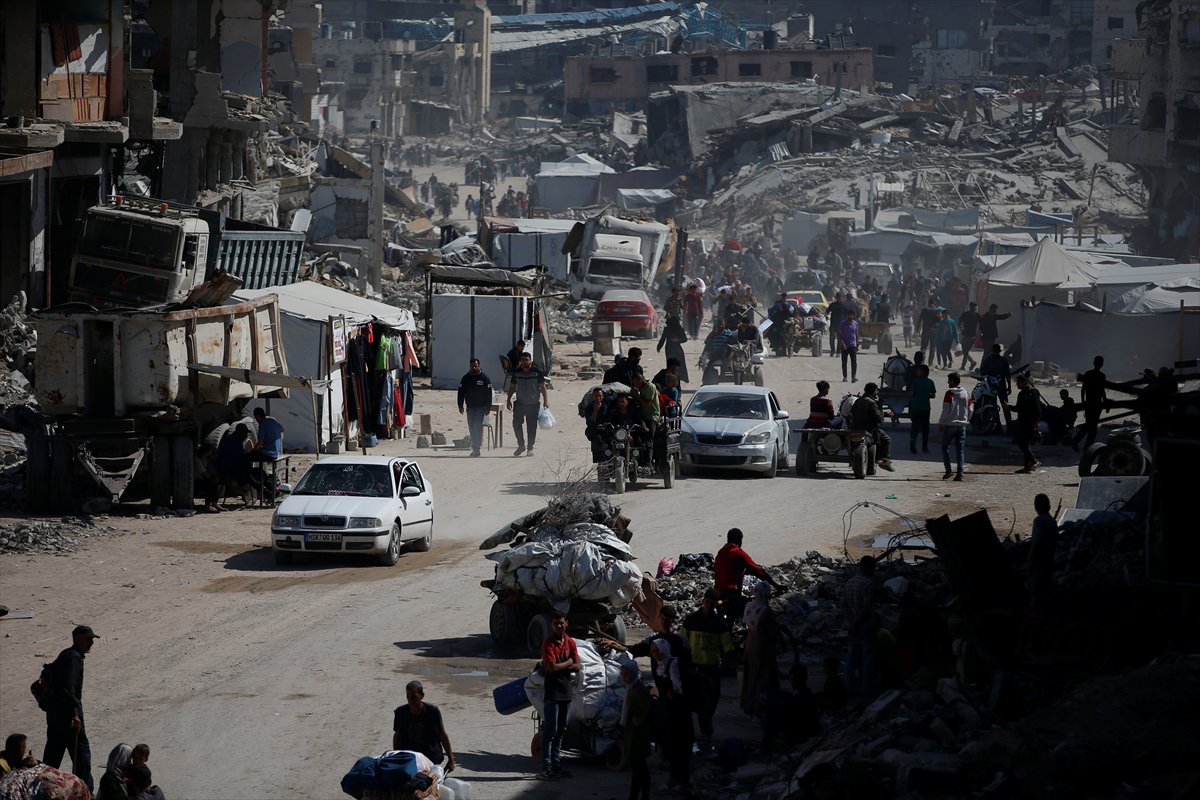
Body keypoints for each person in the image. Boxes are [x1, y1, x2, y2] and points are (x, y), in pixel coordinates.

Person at [43, 625, 98, 791]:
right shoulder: (73, 657)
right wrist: (75, 714)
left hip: (55, 714)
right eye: (89, 639)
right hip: (68, 715)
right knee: (81, 755)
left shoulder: (66, 655)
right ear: (78, 638)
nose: (91, 643)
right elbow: (69, 688)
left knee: (53, 753)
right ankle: (85, 790)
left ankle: (43, 786)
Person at [682, 589, 732, 743]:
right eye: (708, 602)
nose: (709, 605)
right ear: (703, 601)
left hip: (711, 668)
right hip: (694, 668)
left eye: (713, 603)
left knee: (712, 699)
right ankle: (701, 731)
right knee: (693, 701)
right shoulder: (691, 621)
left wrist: (725, 666)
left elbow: (727, 646)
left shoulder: (719, 624)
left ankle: (704, 726)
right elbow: (682, 642)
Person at [538, 613, 579, 780]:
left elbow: (578, 666)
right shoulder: (548, 643)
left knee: (561, 730)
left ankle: (556, 765)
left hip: (566, 692)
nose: (559, 626)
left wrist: (566, 664)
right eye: (556, 623)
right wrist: (569, 662)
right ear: (552, 624)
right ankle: (545, 768)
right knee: (550, 731)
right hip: (552, 693)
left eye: (561, 623)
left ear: (566, 623)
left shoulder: (570, 642)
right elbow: (552, 668)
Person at [650, 639, 693, 795]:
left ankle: (684, 781)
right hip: (667, 712)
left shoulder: (673, 664)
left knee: (681, 746)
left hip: (679, 712)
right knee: (670, 746)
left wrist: (672, 693)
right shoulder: (659, 665)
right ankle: (674, 777)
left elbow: (680, 687)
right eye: (653, 651)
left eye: (657, 651)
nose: (655, 654)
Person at [714, 528, 781, 617]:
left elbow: (730, 570)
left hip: (717, 597)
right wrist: (776, 586)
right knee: (758, 613)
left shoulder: (720, 554)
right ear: (739, 540)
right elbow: (758, 571)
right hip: (731, 597)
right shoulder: (738, 553)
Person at [393, 680, 455, 773]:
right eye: (408, 696)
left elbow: (442, 735)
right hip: (410, 757)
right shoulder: (400, 712)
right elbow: (397, 736)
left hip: (431, 757)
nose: (410, 700)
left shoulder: (432, 711)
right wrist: (396, 757)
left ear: (422, 696)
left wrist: (451, 760)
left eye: (414, 697)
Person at [740, 580, 780, 719]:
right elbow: (773, 632)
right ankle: (759, 707)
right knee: (763, 678)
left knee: (750, 675)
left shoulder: (749, 606)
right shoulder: (765, 611)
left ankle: (748, 704)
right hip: (762, 647)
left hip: (749, 644)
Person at [840, 557, 878, 698]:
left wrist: (850, 622)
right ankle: (866, 691)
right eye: (873, 567)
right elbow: (866, 608)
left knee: (851, 659)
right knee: (868, 660)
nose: (874, 571)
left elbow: (843, 605)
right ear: (866, 567)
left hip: (852, 629)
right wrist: (856, 622)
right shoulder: (868, 584)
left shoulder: (849, 583)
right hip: (866, 627)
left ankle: (849, 688)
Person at [762, 664, 819, 752]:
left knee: (772, 717)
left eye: (794, 679)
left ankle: (766, 748)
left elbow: (788, 711)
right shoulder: (802, 693)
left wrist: (770, 707)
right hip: (803, 725)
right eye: (791, 679)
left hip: (803, 729)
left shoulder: (803, 696)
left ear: (800, 679)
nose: (791, 682)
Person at [619, 658, 652, 800]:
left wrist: (640, 720)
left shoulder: (637, 690)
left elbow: (647, 710)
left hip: (638, 736)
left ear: (632, 673)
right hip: (633, 734)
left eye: (626, 674)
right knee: (640, 769)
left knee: (638, 769)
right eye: (622, 674)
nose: (623, 678)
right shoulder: (632, 688)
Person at [505, 352, 548, 457]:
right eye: (522, 360)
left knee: (531, 426)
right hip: (520, 403)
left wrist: (546, 400)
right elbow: (512, 387)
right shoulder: (517, 372)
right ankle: (521, 445)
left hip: (533, 404)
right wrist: (508, 399)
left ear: (530, 360)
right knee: (516, 424)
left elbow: (542, 387)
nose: (524, 362)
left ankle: (530, 447)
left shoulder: (537, 372)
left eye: (526, 360)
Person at [850, 384, 894, 471]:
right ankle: (884, 460)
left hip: (855, 428)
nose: (877, 393)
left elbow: (852, 413)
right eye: (876, 391)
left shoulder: (858, 400)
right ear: (873, 391)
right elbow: (877, 418)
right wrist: (885, 415)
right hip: (868, 429)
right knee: (887, 439)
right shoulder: (871, 402)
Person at [1027, 494, 1058, 611]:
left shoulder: (1039, 521)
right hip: (1050, 559)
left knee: (1036, 590)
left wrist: (1030, 560)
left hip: (1039, 560)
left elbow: (1036, 543)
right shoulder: (1052, 522)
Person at [457, 358, 493, 457]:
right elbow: (461, 392)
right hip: (470, 407)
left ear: (479, 366)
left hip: (481, 407)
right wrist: (460, 405)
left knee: (477, 426)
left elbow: (489, 393)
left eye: (475, 366)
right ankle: (475, 448)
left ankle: (476, 449)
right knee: (471, 427)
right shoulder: (465, 378)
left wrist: (488, 407)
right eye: (472, 366)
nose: (473, 368)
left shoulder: (484, 378)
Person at [939, 372, 970, 481]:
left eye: (949, 380)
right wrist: (966, 419)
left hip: (950, 425)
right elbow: (970, 408)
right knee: (960, 450)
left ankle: (948, 470)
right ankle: (960, 474)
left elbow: (946, 410)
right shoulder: (966, 393)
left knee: (944, 446)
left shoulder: (949, 394)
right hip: (962, 425)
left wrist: (941, 422)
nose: (948, 382)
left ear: (953, 381)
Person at [1073, 355, 1106, 450]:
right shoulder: (1102, 376)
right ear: (1102, 364)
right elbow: (1102, 391)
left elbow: (1083, 389)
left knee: (1089, 425)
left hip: (1089, 403)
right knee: (1092, 427)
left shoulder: (1088, 374)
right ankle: (1085, 446)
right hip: (1097, 404)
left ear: (1094, 363)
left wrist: (1083, 402)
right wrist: (1105, 401)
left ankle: (1077, 442)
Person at [980, 344, 1014, 431]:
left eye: (997, 351)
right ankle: (998, 427)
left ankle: (1009, 427)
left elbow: (1007, 374)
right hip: (991, 387)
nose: (995, 352)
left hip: (1002, 387)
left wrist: (1009, 386)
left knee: (1006, 407)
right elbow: (982, 371)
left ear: (999, 351)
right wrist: (988, 372)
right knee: (993, 407)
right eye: (994, 350)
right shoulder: (988, 360)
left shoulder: (1003, 360)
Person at [1014, 374, 1042, 473]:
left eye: (1019, 382)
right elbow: (1018, 408)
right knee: (1023, 443)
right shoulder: (1021, 394)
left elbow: (1038, 408)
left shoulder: (1033, 392)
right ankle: (1028, 466)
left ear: (1025, 382)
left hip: (1030, 422)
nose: (1017, 384)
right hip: (1022, 421)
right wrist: (1008, 407)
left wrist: (1036, 421)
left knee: (1024, 443)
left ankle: (1034, 461)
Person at [908, 364, 936, 454]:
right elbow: (933, 395)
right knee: (925, 428)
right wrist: (927, 395)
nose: (917, 372)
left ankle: (913, 440)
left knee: (914, 427)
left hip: (915, 408)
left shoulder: (915, 381)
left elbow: (911, 393)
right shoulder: (930, 382)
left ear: (922, 372)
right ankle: (924, 447)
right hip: (926, 408)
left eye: (918, 370)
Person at [655, 317, 689, 384]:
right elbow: (663, 339)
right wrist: (659, 347)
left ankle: (676, 380)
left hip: (671, 349)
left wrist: (659, 347)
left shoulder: (677, 329)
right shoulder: (674, 329)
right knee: (674, 365)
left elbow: (685, 339)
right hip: (673, 349)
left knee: (676, 365)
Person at [194, 443, 221, 513]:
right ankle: (207, 506)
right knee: (211, 482)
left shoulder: (204, 459)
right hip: (195, 481)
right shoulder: (197, 460)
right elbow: (205, 474)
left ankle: (214, 504)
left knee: (213, 481)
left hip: (201, 479)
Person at [958, 302, 981, 370]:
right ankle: (972, 362)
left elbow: (959, 323)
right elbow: (981, 324)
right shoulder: (976, 314)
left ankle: (963, 366)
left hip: (968, 335)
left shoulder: (966, 314)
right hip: (971, 335)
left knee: (965, 351)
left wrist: (961, 329)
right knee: (965, 351)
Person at [838, 309, 859, 383]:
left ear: (853, 316)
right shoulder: (842, 324)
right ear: (847, 315)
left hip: (852, 345)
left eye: (851, 315)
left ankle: (853, 377)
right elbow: (840, 335)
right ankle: (845, 377)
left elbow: (856, 334)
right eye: (849, 315)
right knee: (844, 362)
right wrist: (842, 343)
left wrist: (857, 344)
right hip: (844, 345)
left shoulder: (855, 323)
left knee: (854, 361)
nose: (850, 316)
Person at [916, 298, 939, 363]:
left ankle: (922, 361)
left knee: (923, 346)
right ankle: (930, 363)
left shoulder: (924, 309)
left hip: (925, 331)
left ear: (928, 303)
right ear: (934, 303)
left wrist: (918, 329)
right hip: (933, 331)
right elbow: (938, 322)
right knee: (932, 347)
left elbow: (920, 320)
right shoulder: (936, 310)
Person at [826, 292, 847, 357]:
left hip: (841, 325)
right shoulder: (832, 305)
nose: (839, 298)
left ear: (842, 298)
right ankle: (832, 351)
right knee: (832, 339)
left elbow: (846, 315)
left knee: (840, 340)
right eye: (838, 297)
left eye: (840, 297)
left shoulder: (844, 306)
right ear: (836, 298)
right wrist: (825, 315)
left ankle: (838, 352)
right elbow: (827, 311)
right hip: (833, 324)